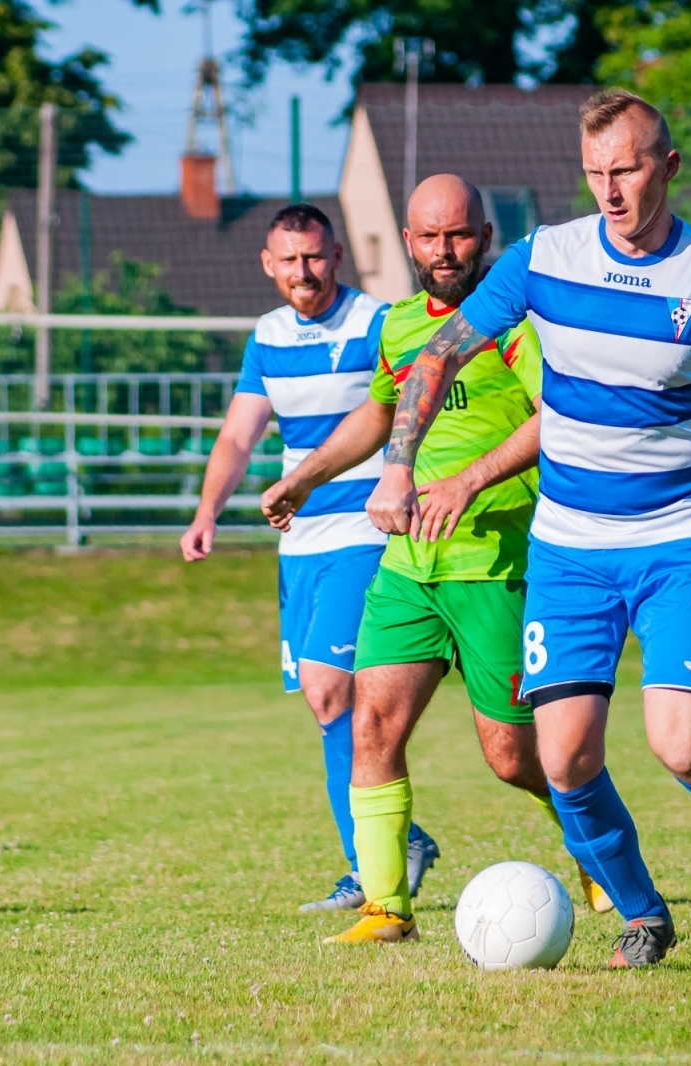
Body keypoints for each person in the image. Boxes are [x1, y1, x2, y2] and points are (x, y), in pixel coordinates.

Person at [362, 89, 691, 969]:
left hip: (676, 537)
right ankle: (643, 914)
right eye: (596, 172)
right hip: (569, 547)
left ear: (667, 167)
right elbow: (438, 353)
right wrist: (400, 464)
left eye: (627, 170)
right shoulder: (545, 258)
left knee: (681, 745)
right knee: (562, 760)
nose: (611, 189)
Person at [260, 175, 612, 944]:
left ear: (484, 238)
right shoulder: (398, 327)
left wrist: (469, 480)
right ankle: (387, 908)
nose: (444, 251)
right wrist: (304, 477)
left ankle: (601, 853)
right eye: (429, 237)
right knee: (370, 726)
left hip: (496, 565)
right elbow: (377, 414)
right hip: (408, 568)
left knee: (513, 756)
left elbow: (559, 416)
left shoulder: (518, 325)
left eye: (458, 235)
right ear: (408, 242)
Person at [180, 203, 439, 913]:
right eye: (290, 260)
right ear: (268, 264)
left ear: (338, 257)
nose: (304, 271)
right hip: (300, 544)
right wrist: (207, 512)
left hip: (365, 532)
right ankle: (391, 847)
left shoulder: (376, 323)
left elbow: (413, 406)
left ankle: (375, 864)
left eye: (315, 257)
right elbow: (238, 437)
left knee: (331, 688)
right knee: (329, 712)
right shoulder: (266, 336)